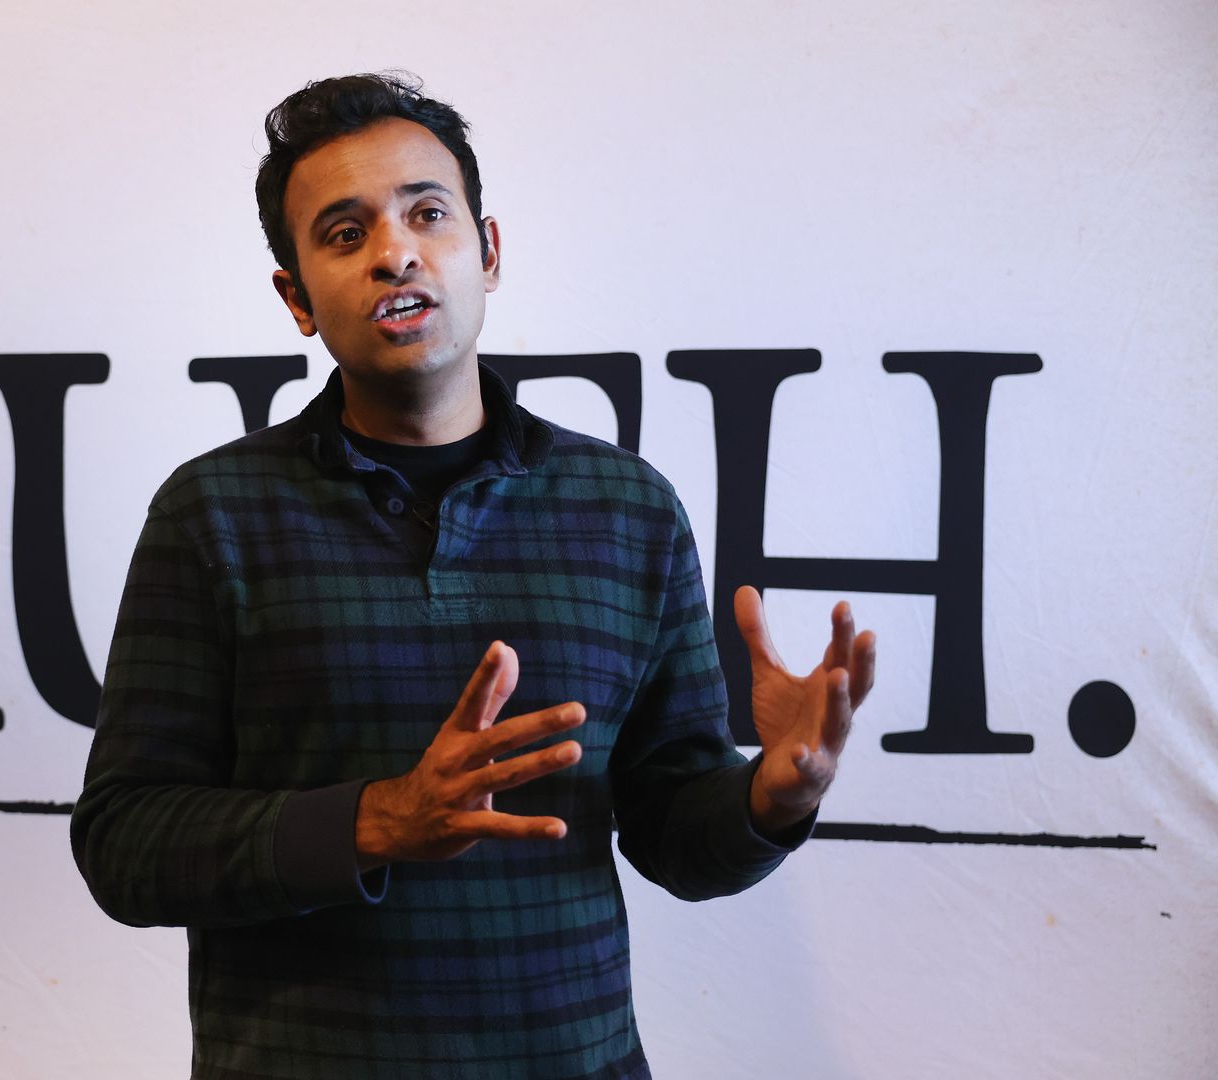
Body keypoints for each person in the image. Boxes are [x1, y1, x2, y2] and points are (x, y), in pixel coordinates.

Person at [71, 72, 876, 1079]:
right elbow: (124, 843)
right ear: (297, 301)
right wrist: (377, 821)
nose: (395, 252)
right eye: (343, 232)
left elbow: (673, 833)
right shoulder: (214, 515)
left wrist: (772, 795)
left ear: (486, 253)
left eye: (426, 212)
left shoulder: (627, 509)